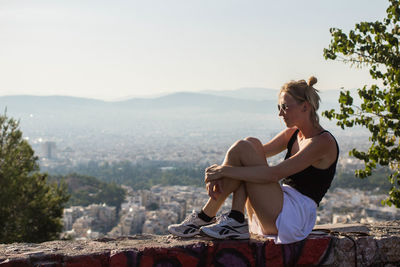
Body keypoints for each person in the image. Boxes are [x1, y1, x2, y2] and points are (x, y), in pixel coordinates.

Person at [168, 76, 339, 244]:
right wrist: (220, 171)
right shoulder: (293, 134)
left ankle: (220, 218)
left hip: (293, 216)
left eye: (285, 107)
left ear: (305, 107)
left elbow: (274, 174)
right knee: (250, 143)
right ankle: (212, 217)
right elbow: (249, 153)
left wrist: (222, 171)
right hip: (277, 203)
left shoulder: (322, 142)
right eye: (279, 107)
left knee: (246, 152)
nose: (280, 113)